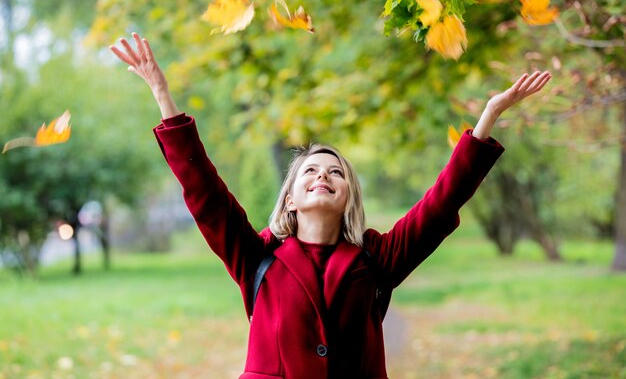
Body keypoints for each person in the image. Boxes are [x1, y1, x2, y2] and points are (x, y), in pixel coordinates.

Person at [110, 33, 551, 379]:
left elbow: (438, 205)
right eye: (310, 171)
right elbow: (204, 193)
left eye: (336, 172)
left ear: (348, 198)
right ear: (290, 199)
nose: (324, 175)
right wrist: (163, 97)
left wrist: (488, 116)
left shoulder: (378, 258)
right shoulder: (256, 257)